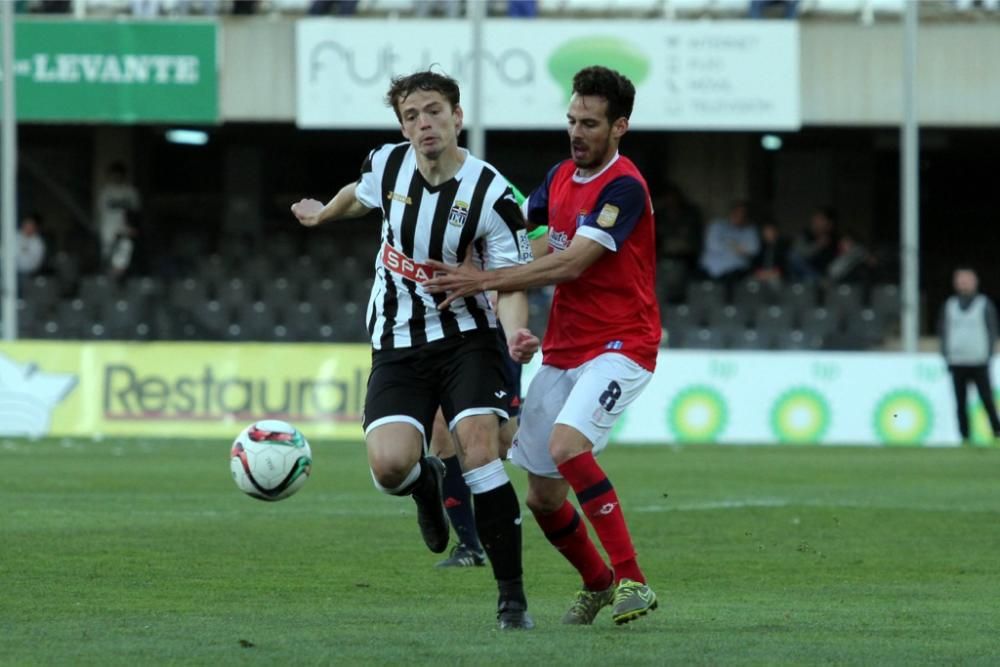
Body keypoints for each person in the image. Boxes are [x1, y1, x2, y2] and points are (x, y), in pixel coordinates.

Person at [290, 70, 539, 630]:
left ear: (456, 116)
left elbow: (510, 281)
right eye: (411, 116)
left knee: (480, 451)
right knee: (389, 466)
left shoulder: (492, 195)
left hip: (468, 339)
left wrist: (515, 333)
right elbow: (360, 194)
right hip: (397, 340)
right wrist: (322, 214)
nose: (423, 124)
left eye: (433, 111)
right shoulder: (388, 164)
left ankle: (512, 599)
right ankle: (425, 484)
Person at [425, 65, 660, 626]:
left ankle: (634, 580)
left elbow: (574, 262)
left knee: (566, 447)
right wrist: (493, 293)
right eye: (572, 120)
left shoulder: (624, 187)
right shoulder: (556, 178)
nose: (577, 132)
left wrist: (483, 281)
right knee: (542, 500)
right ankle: (597, 582)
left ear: (619, 127)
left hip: (622, 343)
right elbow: (518, 243)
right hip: (563, 350)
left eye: (591, 123)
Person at [938, 268, 1000, 445]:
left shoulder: (984, 304)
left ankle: (996, 431)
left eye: (967, 280)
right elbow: (943, 332)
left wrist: (988, 355)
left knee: (987, 399)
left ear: (975, 282)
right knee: (960, 402)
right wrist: (946, 356)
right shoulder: (949, 305)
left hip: (978, 361)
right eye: (960, 280)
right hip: (957, 361)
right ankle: (964, 437)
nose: (963, 283)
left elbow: (991, 331)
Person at [697, 200, 760, 284]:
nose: (740, 215)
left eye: (743, 214)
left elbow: (753, 250)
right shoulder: (717, 225)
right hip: (710, 269)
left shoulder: (750, 230)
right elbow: (713, 245)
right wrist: (737, 247)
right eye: (737, 212)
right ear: (732, 212)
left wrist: (726, 243)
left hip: (735, 272)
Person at [95, 161, 141, 263]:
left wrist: (133, 226)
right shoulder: (105, 191)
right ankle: (107, 275)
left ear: (123, 175)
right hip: (109, 227)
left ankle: (120, 276)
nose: (116, 177)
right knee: (107, 252)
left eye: (119, 175)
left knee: (123, 253)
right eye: (114, 175)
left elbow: (136, 210)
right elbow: (101, 210)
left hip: (125, 226)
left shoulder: (130, 191)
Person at [787, 206, 838, 282]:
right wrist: (818, 245)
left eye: (821, 219)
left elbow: (834, 265)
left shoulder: (834, 239)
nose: (815, 222)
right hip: (806, 273)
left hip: (823, 276)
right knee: (792, 256)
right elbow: (798, 253)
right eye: (816, 218)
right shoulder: (805, 234)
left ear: (829, 224)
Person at [17, 213, 47, 278]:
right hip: (10, 271)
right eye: (26, 224)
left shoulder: (38, 243)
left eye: (30, 225)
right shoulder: (15, 236)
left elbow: (35, 263)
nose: (27, 227)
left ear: (35, 227)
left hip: (28, 274)